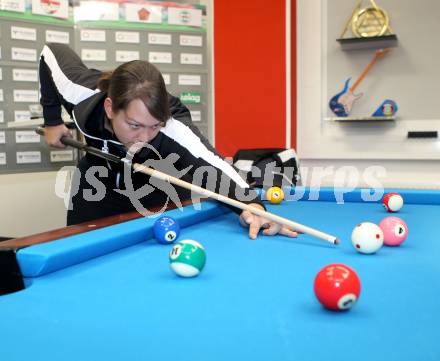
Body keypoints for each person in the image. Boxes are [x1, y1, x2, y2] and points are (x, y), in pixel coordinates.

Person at [39, 43, 297, 239]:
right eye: (134, 125)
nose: (143, 137)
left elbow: (214, 166)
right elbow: (50, 52)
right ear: (109, 108)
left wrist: (253, 205)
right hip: (96, 184)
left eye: (154, 127)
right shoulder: (80, 93)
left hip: (157, 189)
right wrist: (52, 120)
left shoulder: (173, 129)